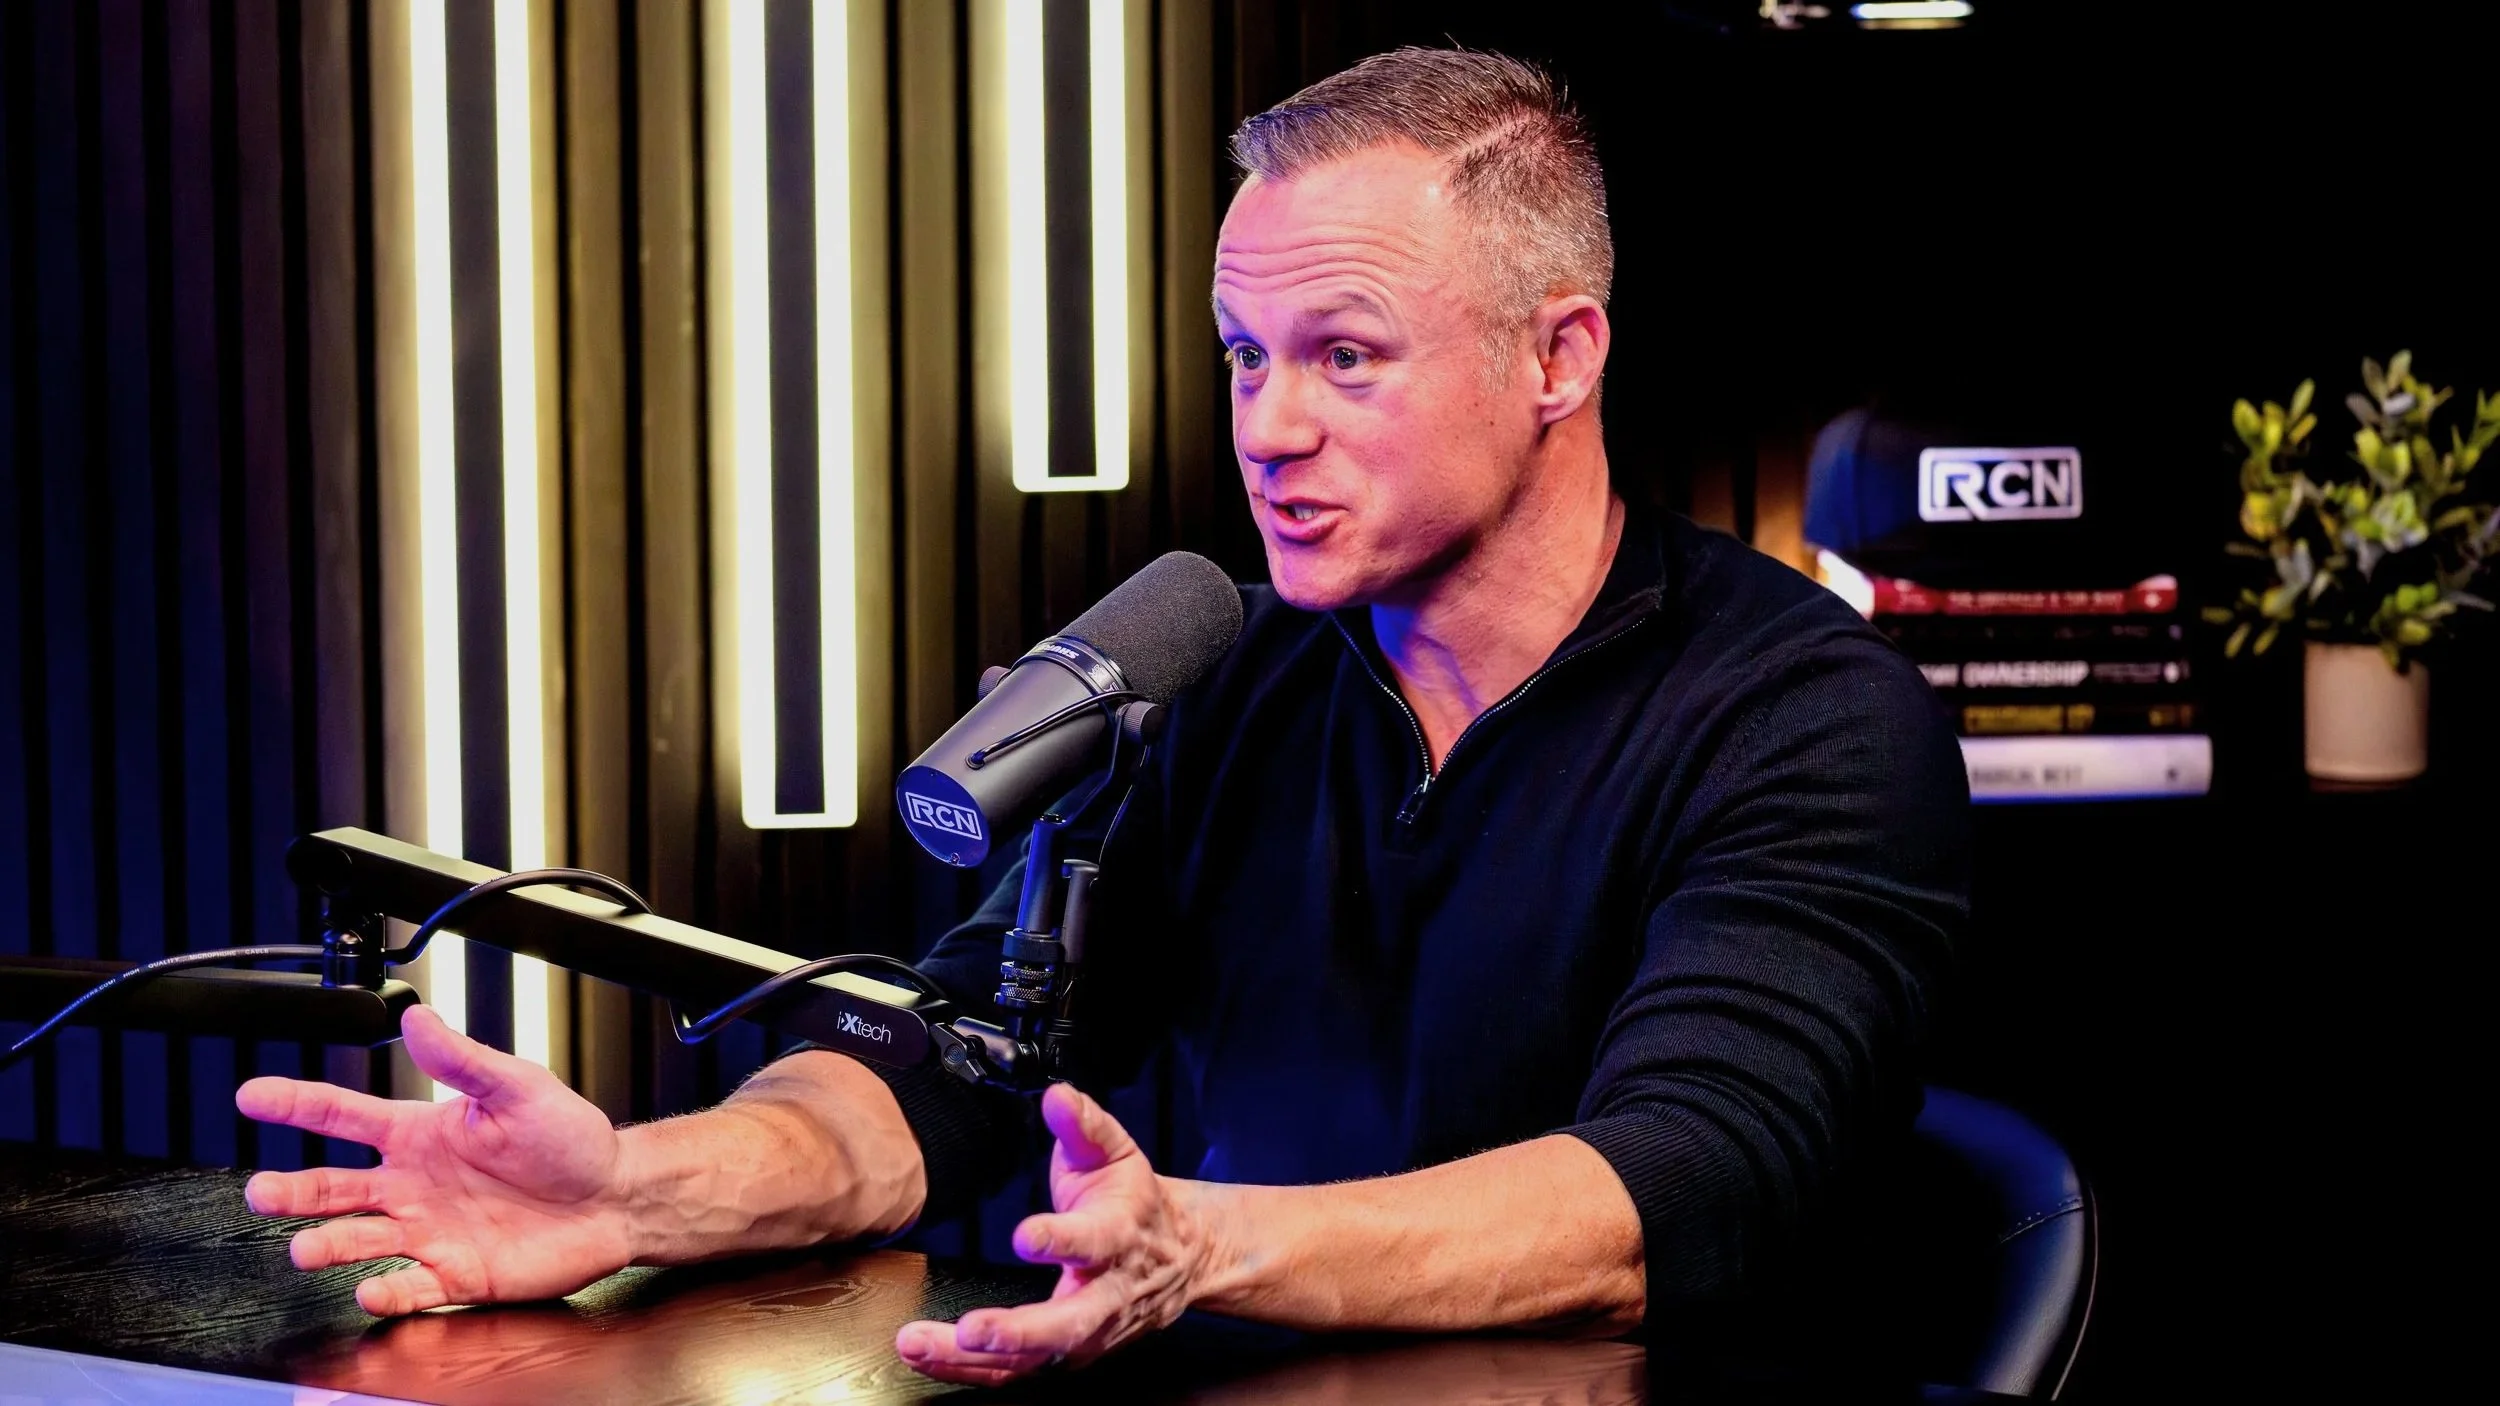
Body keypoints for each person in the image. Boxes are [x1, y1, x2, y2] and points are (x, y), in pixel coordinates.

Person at [235, 47, 1967, 1388]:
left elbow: (1665, 1192)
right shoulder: (1228, 678)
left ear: (1559, 357)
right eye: (1244, 354)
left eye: (1345, 354)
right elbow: (962, 1063)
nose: (1268, 426)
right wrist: (638, 1189)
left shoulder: (1806, 716)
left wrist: (1198, 1245)